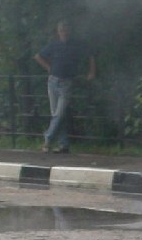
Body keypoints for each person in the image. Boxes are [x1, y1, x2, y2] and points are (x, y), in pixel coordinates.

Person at [31, 21, 95, 154]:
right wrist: (49, 68)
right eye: (61, 31)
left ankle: (47, 140)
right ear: (58, 32)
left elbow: (90, 55)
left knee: (58, 114)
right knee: (58, 115)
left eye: (66, 30)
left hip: (66, 83)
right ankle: (64, 144)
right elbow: (38, 56)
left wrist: (92, 71)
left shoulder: (75, 45)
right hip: (53, 81)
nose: (64, 33)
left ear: (69, 31)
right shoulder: (54, 45)